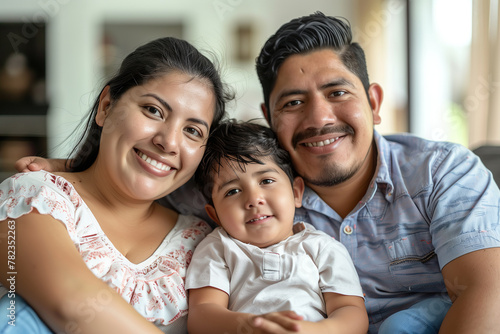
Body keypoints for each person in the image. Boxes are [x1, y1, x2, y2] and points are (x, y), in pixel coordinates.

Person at [14, 11, 500, 334]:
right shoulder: (215, 211)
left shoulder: (441, 173)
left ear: (373, 103)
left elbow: (486, 289)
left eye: (337, 92)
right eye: (293, 102)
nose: (319, 118)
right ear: (270, 117)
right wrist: (69, 172)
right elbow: (147, 171)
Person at [0, 36, 232, 334]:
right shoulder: (34, 197)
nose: (169, 142)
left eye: (192, 130)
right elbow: (72, 302)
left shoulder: (203, 240)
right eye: (153, 111)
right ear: (106, 106)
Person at [185, 120, 367, 334]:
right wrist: (246, 326)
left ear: (296, 192)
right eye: (232, 191)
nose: (253, 199)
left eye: (266, 181)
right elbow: (202, 315)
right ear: (215, 214)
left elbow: (351, 311)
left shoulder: (322, 248)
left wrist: (318, 331)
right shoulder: (218, 249)